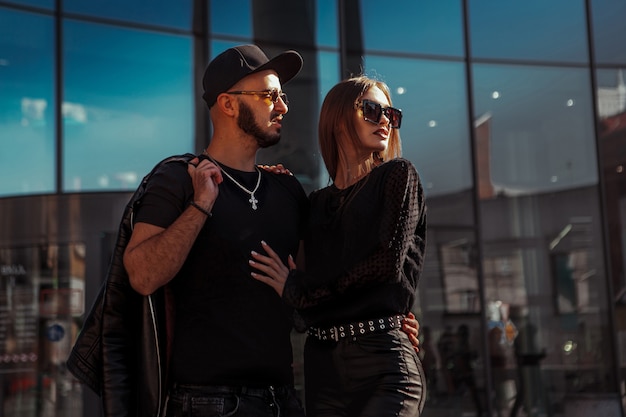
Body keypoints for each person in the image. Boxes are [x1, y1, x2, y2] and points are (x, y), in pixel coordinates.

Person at [67, 45, 421, 417]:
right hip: (205, 403)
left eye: (282, 96)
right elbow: (141, 275)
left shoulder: (287, 191)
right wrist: (201, 204)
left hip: (284, 401)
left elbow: (311, 288)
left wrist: (385, 322)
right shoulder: (177, 179)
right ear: (228, 103)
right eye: (269, 95)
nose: (282, 106)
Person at [249, 76, 427, 416]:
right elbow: (302, 313)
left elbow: (384, 266)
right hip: (323, 368)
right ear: (339, 118)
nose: (386, 120)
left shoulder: (398, 176)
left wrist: (302, 292)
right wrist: (269, 184)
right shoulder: (315, 205)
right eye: (374, 110)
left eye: (392, 113)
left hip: (385, 364)